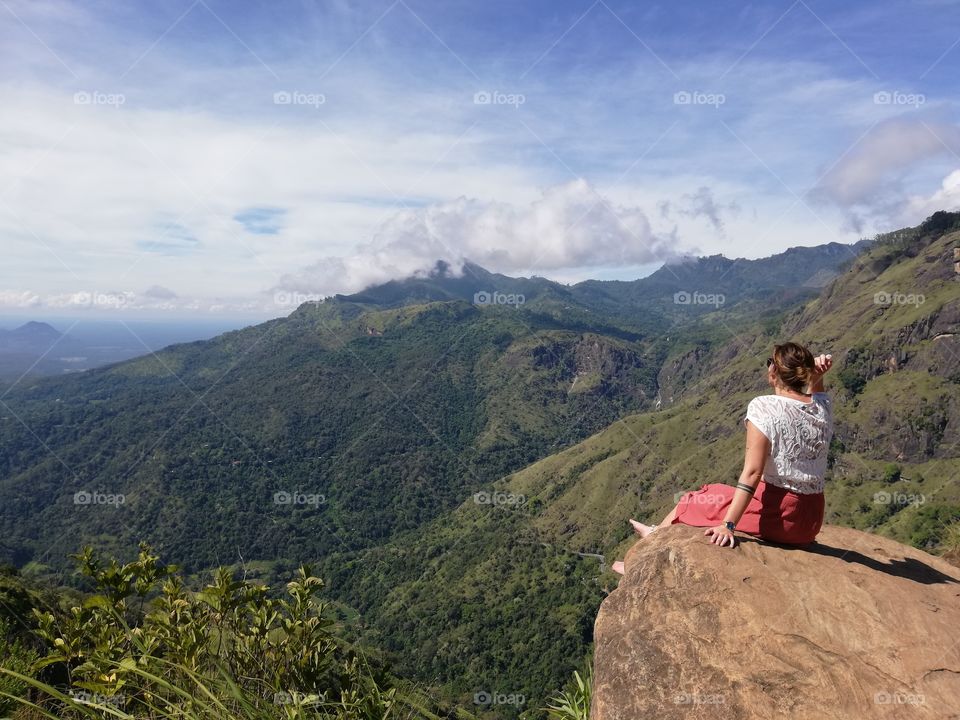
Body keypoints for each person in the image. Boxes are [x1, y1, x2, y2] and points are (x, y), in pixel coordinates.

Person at [612, 342, 834, 575]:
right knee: (713, 491)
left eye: (770, 362)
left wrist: (728, 524)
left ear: (774, 372)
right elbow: (816, 394)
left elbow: (752, 473)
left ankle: (638, 561)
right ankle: (654, 533)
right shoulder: (822, 407)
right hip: (810, 521)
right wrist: (817, 376)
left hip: (782, 515)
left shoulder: (764, 407)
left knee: (692, 500)